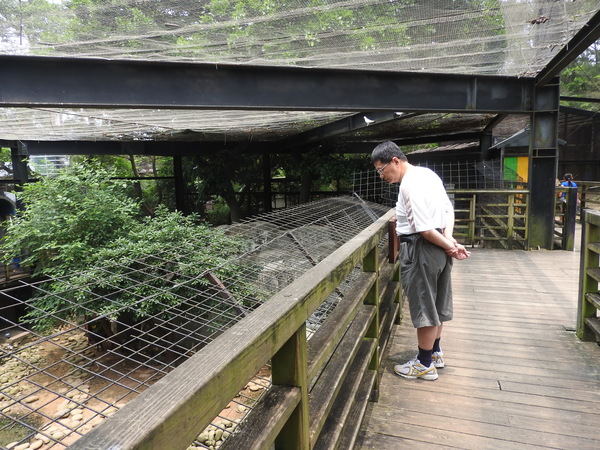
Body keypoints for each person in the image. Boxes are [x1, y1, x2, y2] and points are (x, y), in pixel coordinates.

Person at [371, 140, 470, 381]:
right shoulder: (428, 174)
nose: (382, 176)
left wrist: (450, 246)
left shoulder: (409, 185)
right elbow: (447, 209)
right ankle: (434, 353)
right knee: (437, 302)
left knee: (424, 305)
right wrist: (449, 239)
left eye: (382, 170)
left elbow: (424, 229)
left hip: (421, 249)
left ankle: (424, 364)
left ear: (395, 161)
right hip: (438, 247)